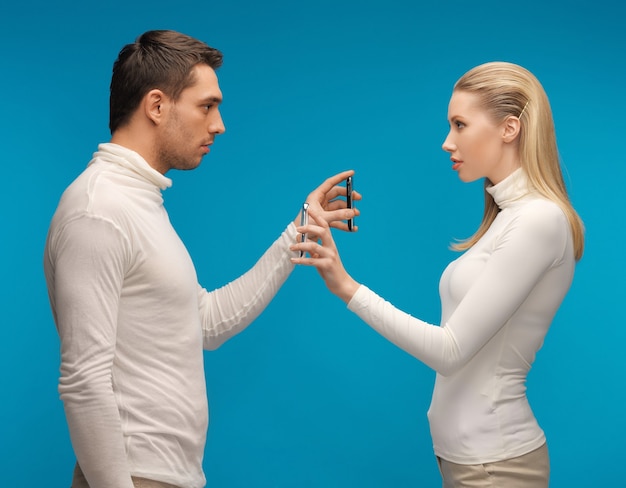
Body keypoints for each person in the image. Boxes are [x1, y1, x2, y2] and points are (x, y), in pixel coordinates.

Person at [43, 30, 359, 488]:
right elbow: (83, 381)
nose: (219, 124)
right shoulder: (100, 210)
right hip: (134, 476)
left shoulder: (138, 203)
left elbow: (205, 322)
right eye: (207, 106)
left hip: (168, 475)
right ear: (156, 106)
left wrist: (300, 229)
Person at [291, 61, 584, 487]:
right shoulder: (509, 218)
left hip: (496, 467)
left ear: (509, 128)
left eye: (460, 124)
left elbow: (450, 351)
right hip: (470, 461)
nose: (448, 142)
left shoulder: (538, 220)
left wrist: (346, 287)